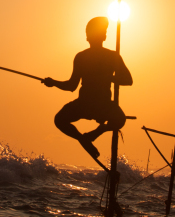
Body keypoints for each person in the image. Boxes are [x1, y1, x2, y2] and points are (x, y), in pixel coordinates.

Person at [42, 16, 133, 159]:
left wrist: (109, 78)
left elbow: (128, 80)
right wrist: (54, 82)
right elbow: (72, 85)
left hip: (102, 105)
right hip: (85, 103)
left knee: (120, 119)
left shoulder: (112, 56)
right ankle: (84, 139)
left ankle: (95, 133)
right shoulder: (82, 57)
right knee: (59, 119)